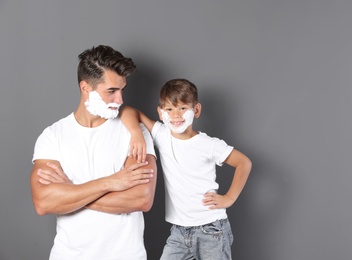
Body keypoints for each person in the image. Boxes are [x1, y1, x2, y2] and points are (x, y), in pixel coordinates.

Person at [30, 45, 157, 260]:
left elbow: (141, 198)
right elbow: (44, 203)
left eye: (122, 90)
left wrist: (71, 191)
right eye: (111, 91)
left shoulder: (135, 132)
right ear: (85, 87)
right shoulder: (52, 136)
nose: (120, 100)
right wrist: (111, 182)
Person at [121, 78, 252, 260]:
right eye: (169, 109)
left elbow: (244, 163)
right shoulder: (162, 135)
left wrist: (229, 198)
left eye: (183, 108)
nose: (176, 115)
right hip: (179, 232)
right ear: (160, 113)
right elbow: (128, 111)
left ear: (196, 110)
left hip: (211, 229)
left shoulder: (208, 144)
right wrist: (136, 133)